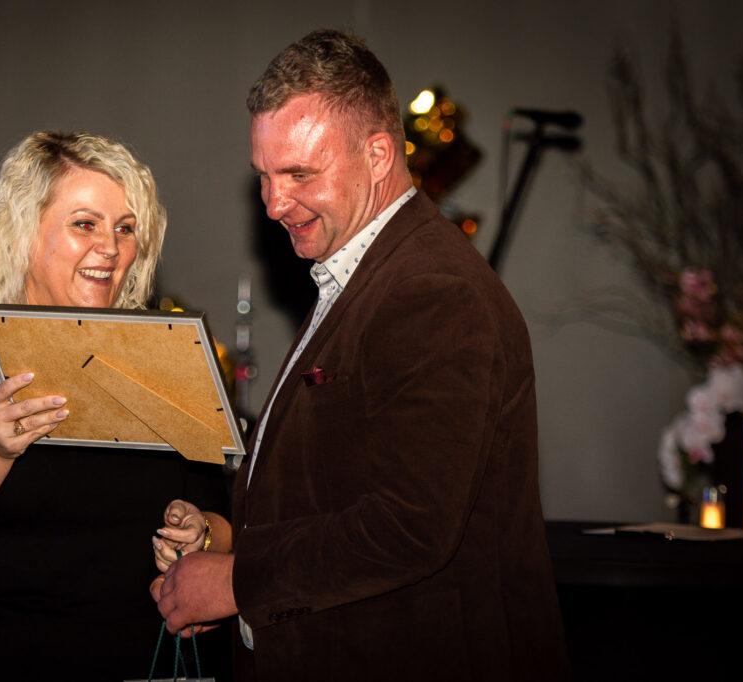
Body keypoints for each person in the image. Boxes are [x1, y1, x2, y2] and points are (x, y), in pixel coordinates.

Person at [152, 30, 571, 681]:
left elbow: (410, 526)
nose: (274, 204)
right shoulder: (366, 271)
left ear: (378, 155)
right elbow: (330, 487)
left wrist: (238, 582)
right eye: (264, 176)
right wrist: (225, 541)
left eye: (299, 174)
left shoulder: (434, 289)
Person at [0, 131, 230, 681]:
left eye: (125, 228)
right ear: (25, 233)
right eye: (85, 224)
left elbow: (223, 521)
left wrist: (200, 534)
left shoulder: (165, 367)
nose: (111, 247)